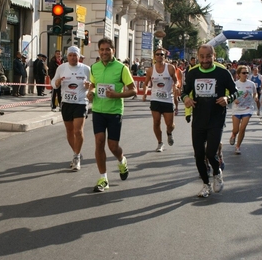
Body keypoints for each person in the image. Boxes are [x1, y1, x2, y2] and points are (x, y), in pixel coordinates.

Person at [181, 44, 239, 198]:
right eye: (202, 56)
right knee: (199, 155)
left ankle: (217, 172)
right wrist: (186, 98)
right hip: (199, 119)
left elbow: (235, 92)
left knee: (211, 152)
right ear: (198, 57)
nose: (205, 59)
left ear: (214, 56)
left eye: (208, 56)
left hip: (216, 119)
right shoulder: (192, 73)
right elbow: (183, 92)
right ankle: (206, 185)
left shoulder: (223, 73)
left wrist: (227, 98)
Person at [87, 37, 137, 192]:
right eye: (101, 49)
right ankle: (103, 178)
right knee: (99, 141)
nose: (104, 52)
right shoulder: (94, 67)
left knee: (113, 146)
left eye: (107, 49)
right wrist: (91, 92)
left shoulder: (122, 68)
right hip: (98, 111)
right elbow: (93, 85)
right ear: (99, 51)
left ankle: (122, 161)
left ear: (113, 50)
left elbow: (133, 90)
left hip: (114, 111)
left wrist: (117, 95)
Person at [51, 46, 91, 171]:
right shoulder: (61, 68)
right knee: (69, 131)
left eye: (75, 55)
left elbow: (93, 84)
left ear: (79, 57)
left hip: (80, 102)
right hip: (66, 103)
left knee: (78, 131)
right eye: (70, 55)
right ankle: (76, 152)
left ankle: (76, 157)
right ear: (67, 56)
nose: (73, 57)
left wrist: (89, 86)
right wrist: (57, 83)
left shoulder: (86, 69)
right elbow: (53, 83)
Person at [142, 47, 177, 152]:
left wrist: (176, 87)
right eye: (157, 54)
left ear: (165, 56)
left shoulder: (170, 68)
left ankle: (169, 133)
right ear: (154, 56)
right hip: (155, 99)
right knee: (156, 122)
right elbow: (146, 83)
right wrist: (145, 93)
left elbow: (176, 81)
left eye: (162, 54)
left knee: (169, 125)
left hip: (167, 99)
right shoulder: (150, 70)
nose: (159, 56)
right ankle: (160, 143)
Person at [229, 65, 257, 154]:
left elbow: (255, 93)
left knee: (242, 128)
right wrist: (234, 99)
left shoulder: (251, 84)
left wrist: (255, 97)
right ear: (238, 74)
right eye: (243, 73)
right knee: (236, 130)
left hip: (248, 109)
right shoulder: (235, 84)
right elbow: (230, 95)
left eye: (247, 73)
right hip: (237, 109)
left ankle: (238, 147)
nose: (246, 74)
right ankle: (233, 135)